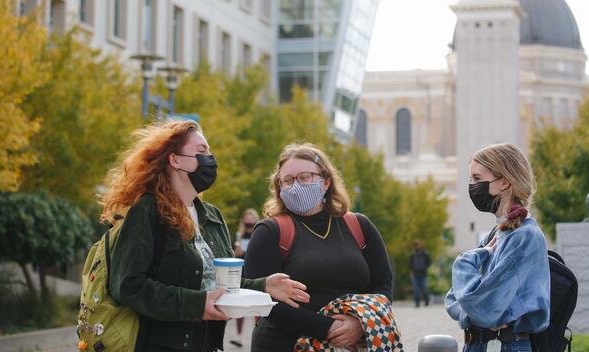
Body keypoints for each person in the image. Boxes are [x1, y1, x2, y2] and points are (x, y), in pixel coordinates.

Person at [102, 120, 310, 352]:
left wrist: (263, 286)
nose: (210, 159)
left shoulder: (212, 215)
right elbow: (128, 285)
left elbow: (217, 283)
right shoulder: (148, 210)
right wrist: (197, 305)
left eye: (210, 152)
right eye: (201, 152)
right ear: (175, 159)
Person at [244, 143, 394, 352]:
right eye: (287, 180)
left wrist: (360, 324)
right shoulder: (270, 231)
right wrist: (329, 328)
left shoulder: (359, 226)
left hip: (356, 342)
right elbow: (261, 298)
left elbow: (383, 285)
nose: (295, 186)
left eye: (304, 177)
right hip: (285, 343)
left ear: (326, 182)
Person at [446, 143, 550, 352]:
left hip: (506, 345)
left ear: (504, 182)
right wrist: (476, 312)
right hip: (483, 344)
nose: (472, 186)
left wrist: (464, 261)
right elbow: (453, 299)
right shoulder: (498, 233)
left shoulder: (524, 237)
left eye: (477, 178)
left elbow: (483, 306)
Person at [230, 208, 260, 348]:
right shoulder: (239, 235)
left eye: (251, 220)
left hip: (255, 273)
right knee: (240, 307)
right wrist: (237, 251)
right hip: (241, 273)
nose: (249, 223)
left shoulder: (259, 234)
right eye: (246, 220)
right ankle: (238, 337)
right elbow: (235, 254)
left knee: (257, 307)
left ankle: (258, 334)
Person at [408, 240, 432, 307]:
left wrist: (424, 267)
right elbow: (409, 263)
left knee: (424, 288)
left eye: (417, 245)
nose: (416, 246)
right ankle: (417, 303)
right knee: (416, 290)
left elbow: (429, 262)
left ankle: (427, 300)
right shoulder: (412, 255)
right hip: (415, 274)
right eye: (415, 245)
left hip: (423, 274)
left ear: (420, 245)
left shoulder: (425, 254)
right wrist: (413, 268)